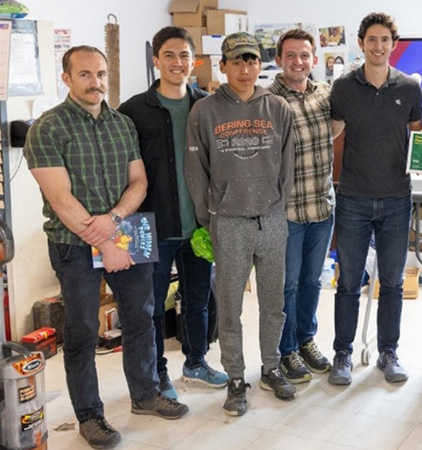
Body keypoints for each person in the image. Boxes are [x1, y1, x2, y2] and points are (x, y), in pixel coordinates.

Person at [24, 45, 189, 449]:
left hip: (126, 233)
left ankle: (146, 393)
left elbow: (140, 183)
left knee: (141, 317)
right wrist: (103, 241)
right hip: (72, 246)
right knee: (81, 331)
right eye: (84, 74)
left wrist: (114, 225)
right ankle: (90, 415)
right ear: (66, 78)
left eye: (100, 74)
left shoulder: (122, 124)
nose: (95, 82)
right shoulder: (46, 128)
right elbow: (62, 201)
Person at [185, 32, 296, 416]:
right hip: (228, 221)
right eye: (237, 62)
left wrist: (276, 206)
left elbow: (288, 164)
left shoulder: (278, 107)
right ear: (224, 66)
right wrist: (208, 218)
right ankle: (235, 376)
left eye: (251, 61)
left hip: (271, 219)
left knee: (274, 302)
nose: (245, 69)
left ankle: (271, 366)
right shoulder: (205, 111)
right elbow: (196, 170)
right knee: (229, 305)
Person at [119, 26, 227, 400]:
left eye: (184, 55)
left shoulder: (206, 105)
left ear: (194, 61)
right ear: (156, 60)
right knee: (149, 307)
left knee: (198, 299)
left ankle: (196, 363)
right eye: (169, 55)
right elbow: (124, 173)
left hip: (198, 223)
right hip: (147, 226)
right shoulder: (132, 111)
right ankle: (158, 374)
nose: (177, 63)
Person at [328, 12, 422, 385]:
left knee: (394, 281)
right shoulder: (343, 87)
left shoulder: (410, 88)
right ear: (362, 43)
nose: (378, 46)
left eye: (385, 39)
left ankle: (389, 352)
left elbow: (419, 139)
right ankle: (342, 354)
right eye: (372, 39)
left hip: (397, 197)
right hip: (352, 197)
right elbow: (333, 135)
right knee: (349, 281)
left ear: (393, 44)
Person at [268, 28, 336, 384]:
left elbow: (334, 131)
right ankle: (287, 350)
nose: (298, 61)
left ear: (313, 58)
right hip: (287, 211)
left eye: (305, 55)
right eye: (291, 55)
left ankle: (307, 341)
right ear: (279, 59)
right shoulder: (268, 100)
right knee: (287, 284)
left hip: (322, 206)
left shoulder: (324, 94)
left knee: (312, 281)